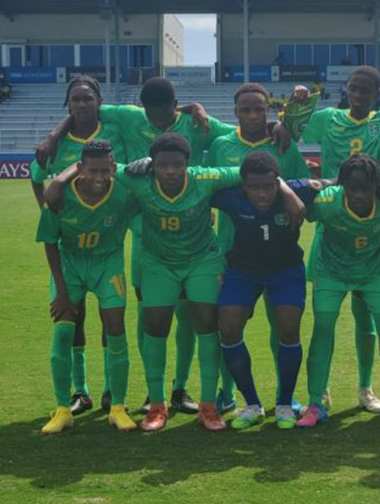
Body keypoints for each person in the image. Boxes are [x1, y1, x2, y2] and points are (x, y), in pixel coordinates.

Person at [36, 77, 236, 417]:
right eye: (152, 114)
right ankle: (150, 394)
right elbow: (83, 108)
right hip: (145, 234)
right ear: (144, 109)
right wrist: (55, 137)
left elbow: (237, 133)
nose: (158, 121)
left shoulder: (197, 123)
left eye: (166, 113)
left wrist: (195, 107)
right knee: (150, 314)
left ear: (176, 106)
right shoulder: (129, 116)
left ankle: (180, 388)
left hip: (192, 235)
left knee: (192, 313)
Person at [112, 133, 304, 432]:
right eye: (162, 165)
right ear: (154, 166)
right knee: (155, 324)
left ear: (189, 164)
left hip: (202, 260)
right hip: (159, 263)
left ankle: (208, 405)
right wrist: (59, 181)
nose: (171, 171)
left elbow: (250, 171)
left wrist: (284, 189)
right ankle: (157, 406)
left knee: (208, 321)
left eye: (178, 164)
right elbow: (102, 166)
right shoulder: (137, 177)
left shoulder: (206, 177)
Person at [297, 66, 380, 413]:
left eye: (365, 90)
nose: (357, 95)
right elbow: (291, 128)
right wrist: (299, 100)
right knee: (324, 322)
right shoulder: (328, 118)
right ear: (346, 89)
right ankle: (321, 392)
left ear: (377, 93)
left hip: (371, 221)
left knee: (366, 320)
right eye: (352, 88)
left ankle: (366, 388)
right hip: (334, 214)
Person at [206, 82, 312, 414]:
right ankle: (228, 391)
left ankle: (286, 395)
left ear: (269, 110)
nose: (252, 115)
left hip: (280, 250)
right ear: (235, 113)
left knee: (281, 323)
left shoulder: (283, 143)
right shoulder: (221, 145)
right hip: (233, 248)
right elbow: (209, 184)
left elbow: (302, 186)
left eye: (259, 109)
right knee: (228, 322)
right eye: (245, 109)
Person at [295, 154, 380, 429]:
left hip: (375, 274)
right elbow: (296, 192)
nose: (360, 195)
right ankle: (315, 403)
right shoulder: (327, 202)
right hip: (332, 273)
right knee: (323, 329)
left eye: (367, 187)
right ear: (343, 186)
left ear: (377, 185)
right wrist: (324, 181)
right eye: (353, 188)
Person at [29, 76, 128, 415]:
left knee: (111, 318)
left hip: (107, 240)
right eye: (76, 99)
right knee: (75, 316)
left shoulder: (114, 128)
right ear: (68, 104)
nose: (82, 104)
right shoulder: (55, 144)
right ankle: (80, 390)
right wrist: (50, 205)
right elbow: (35, 176)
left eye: (88, 99)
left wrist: (63, 176)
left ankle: (111, 391)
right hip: (71, 244)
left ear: (99, 101)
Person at [212, 152, 325, 429]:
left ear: (277, 181)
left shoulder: (299, 189)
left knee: (288, 328)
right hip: (243, 271)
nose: (261, 194)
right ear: (243, 185)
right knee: (228, 327)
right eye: (254, 187)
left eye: (268, 186)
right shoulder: (231, 196)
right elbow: (196, 187)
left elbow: (336, 181)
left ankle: (285, 403)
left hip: (285, 271)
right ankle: (251, 404)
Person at [35, 140, 137, 434]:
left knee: (115, 328)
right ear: (79, 168)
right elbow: (50, 243)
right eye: (92, 170)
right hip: (70, 267)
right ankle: (63, 409)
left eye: (105, 170)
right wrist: (62, 290)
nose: (99, 177)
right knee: (64, 329)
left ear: (113, 168)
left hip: (108, 264)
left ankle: (117, 407)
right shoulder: (59, 197)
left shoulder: (124, 192)